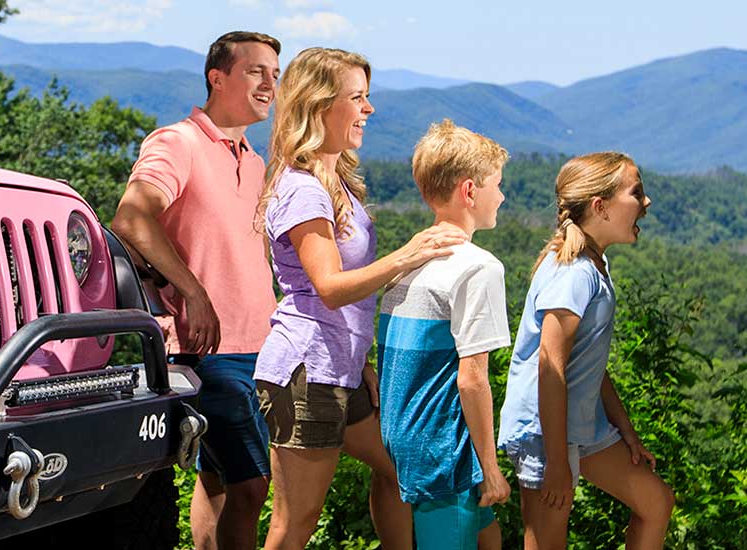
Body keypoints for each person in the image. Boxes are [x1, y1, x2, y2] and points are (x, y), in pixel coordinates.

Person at [253, 47, 462, 550]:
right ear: (321, 105)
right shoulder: (304, 190)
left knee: (398, 472)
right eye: (358, 98)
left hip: (340, 369)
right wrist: (408, 254)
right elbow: (328, 287)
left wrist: (360, 357)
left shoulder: (337, 182)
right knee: (294, 523)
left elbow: (346, 293)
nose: (368, 110)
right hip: (306, 374)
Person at [111, 30, 283, 550]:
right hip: (205, 349)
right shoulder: (177, 142)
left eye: (275, 75)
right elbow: (131, 219)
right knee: (252, 487)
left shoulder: (254, 160)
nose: (269, 84)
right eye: (256, 71)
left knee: (219, 480)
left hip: (261, 345)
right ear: (218, 77)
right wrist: (194, 293)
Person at [497, 152, 672, 550]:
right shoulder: (573, 273)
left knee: (656, 503)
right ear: (601, 207)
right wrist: (557, 464)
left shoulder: (595, 265)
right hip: (545, 431)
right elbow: (550, 365)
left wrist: (624, 430)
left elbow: (588, 362)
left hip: (581, 422)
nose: (646, 203)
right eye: (637, 193)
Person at [375, 119, 513, 550]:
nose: (503, 196)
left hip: (406, 437)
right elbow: (471, 378)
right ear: (470, 191)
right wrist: (490, 467)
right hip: (445, 448)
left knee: (488, 539)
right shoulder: (479, 267)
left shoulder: (408, 262)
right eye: (497, 185)